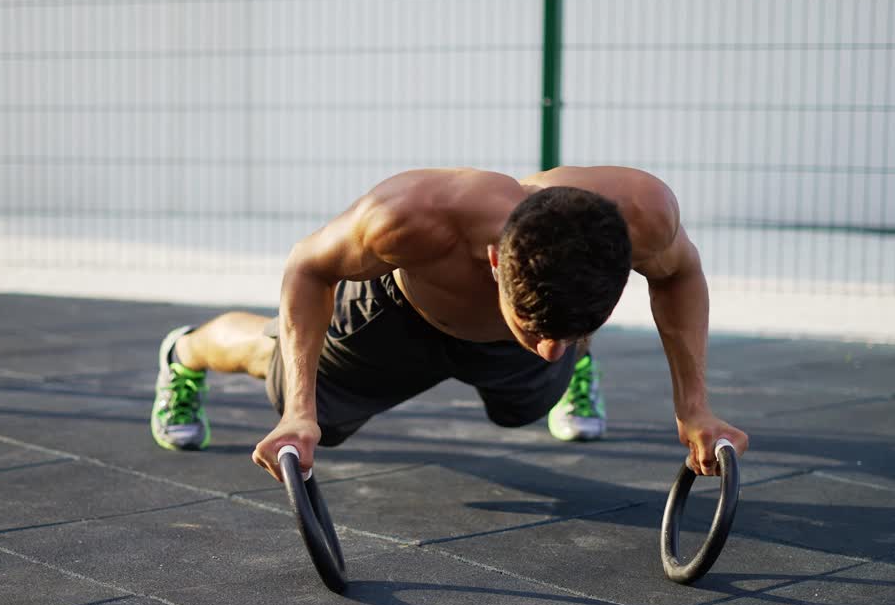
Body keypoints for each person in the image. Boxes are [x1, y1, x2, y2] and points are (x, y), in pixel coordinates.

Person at [150, 165, 748, 481]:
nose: (548, 350)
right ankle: (186, 354)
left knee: (525, 405)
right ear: (493, 262)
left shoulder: (644, 214)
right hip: (396, 316)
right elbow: (307, 268)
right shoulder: (411, 216)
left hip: (508, 337)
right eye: (540, 330)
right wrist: (297, 411)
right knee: (296, 394)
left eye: (567, 335)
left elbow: (678, 276)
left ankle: (572, 349)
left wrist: (693, 406)